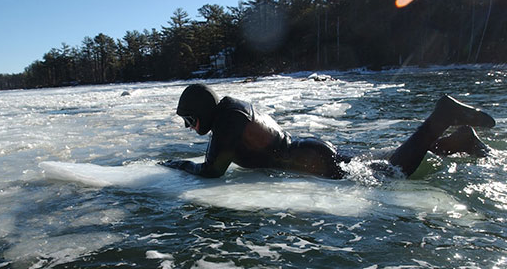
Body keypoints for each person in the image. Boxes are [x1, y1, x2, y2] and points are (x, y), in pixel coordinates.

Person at [161, 84, 495, 179]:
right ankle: (458, 141)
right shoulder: (232, 110)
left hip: (312, 161)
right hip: (312, 152)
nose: (190, 127)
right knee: (389, 160)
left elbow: (211, 171)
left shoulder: (228, 122)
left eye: (190, 120)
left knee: (394, 173)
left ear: (202, 114)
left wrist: (176, 165)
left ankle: (442, 116)